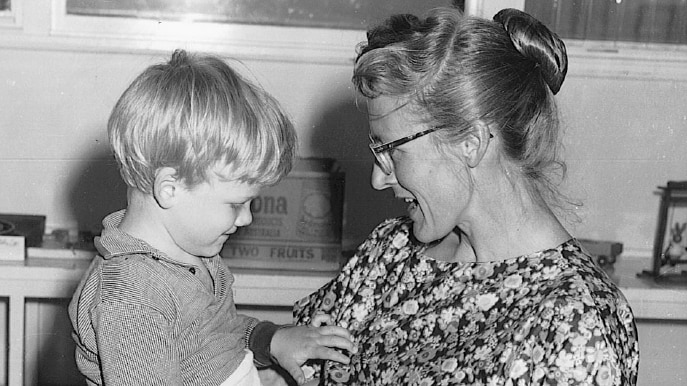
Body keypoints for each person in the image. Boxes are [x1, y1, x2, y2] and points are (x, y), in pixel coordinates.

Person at [294, 7, 639, 385]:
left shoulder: (575, 319)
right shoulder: (389, 252)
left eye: (392, 149)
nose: (378, 179)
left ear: (470, 143)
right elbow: (288, 368)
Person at [68, 49, 355, 386]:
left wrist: (271, 340)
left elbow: (210, 334)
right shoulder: (134, 301)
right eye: (236, 204)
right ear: (170, 188)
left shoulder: (184, 256)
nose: (246, 219)